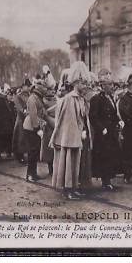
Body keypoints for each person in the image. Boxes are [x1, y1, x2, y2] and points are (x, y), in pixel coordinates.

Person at [50, 61, 92, 200]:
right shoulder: (69, 99)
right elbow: (69, 122)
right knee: (69, 162)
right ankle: (68, 189)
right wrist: (79, 134)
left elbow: (83, 117)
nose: (85, 86)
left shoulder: (81, 98)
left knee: (76, 163)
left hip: (78, 136)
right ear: (76, 83)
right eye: (83, 83)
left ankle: (74, 187)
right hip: (71, 137)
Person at [89, 69, 121, 190]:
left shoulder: (110, 98)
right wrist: (101, 129)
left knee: (110, 156)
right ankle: (105, 181)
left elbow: (113, 114)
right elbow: (93, 116)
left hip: (111, 132)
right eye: (109, 84)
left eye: (112, 84)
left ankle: (108, 180)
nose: (112, 87)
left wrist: (119, 121)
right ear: (103, 86)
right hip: (103, 134)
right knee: (104, 157)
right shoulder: (96, 99)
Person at [23, 80, 48, 182]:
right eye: (44, 87)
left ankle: (33, 173)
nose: (45, 89)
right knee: (32, 152)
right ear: (39, 87)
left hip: (35, 126)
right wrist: (37, 128)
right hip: (31, 127)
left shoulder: (38, 97)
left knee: (35, 151)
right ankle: (29, 174)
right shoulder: (33, 98)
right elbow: (33, 115)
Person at [12, 79, 31, 163]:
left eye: (28, 86)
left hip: (29, 118)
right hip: (21, 119)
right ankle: (20, 155)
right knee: (20, 137)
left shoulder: (30, 95)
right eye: (27, 86)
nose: (28, 87)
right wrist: (26, 112)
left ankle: (27, 154)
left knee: (27, 138)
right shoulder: (18, 96)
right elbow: (19, 108)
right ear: (23, 87)